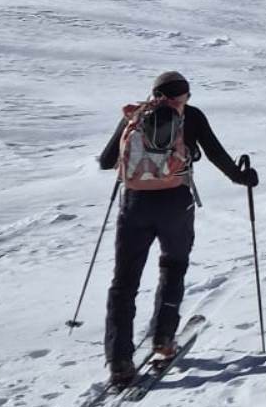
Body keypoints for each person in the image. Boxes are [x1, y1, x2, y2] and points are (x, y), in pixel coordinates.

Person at [97, 70, 256, 385]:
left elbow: (105, 161)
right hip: (175, 206)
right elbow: (217, 156)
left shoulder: (136, 115)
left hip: (134, 207)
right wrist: (243, 178)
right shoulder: (191, 115)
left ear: (154, 92)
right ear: (185, 95)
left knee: (124, 283)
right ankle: (164, 340)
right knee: (173, 267)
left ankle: (119, 361)